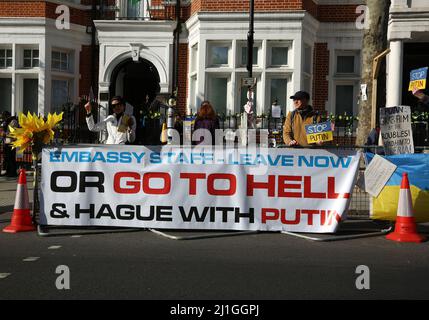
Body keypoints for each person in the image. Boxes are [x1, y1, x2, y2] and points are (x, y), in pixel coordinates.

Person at [1, 111, 18, 177]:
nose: (3, 118)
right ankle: (8, 171)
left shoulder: (13, 122)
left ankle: (13, 172)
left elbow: (13, 133)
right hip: (6, 142)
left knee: (11, 158)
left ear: (7, 115)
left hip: (11, 142)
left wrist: (5, 134)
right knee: (6, 158)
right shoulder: (6, 121)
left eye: (4, 117)